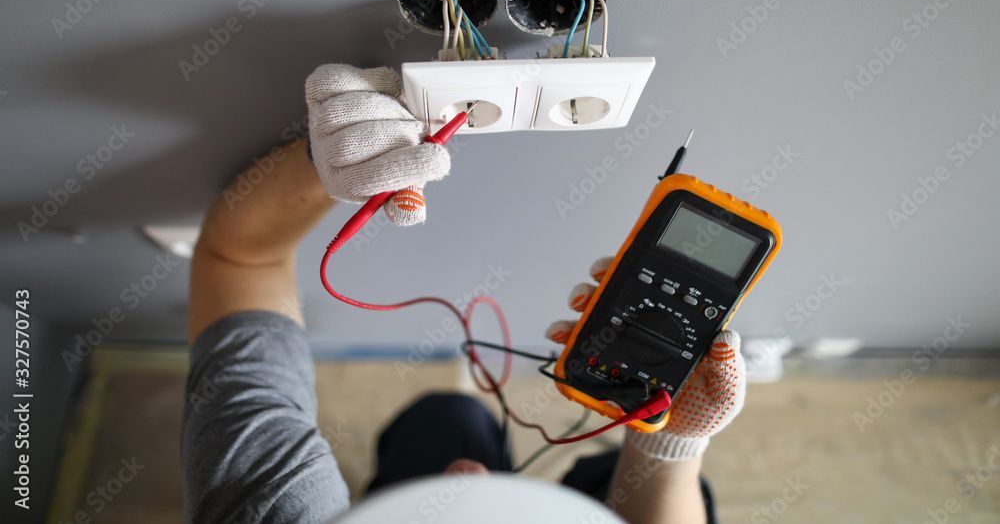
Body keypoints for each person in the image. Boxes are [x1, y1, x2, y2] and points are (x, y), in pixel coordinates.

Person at [181, 64, 747, 523]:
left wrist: (329, 166)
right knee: (612, 478)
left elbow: (240, 258)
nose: (465, 476)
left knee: (445, 421)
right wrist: (668, 449)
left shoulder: (268, 511)